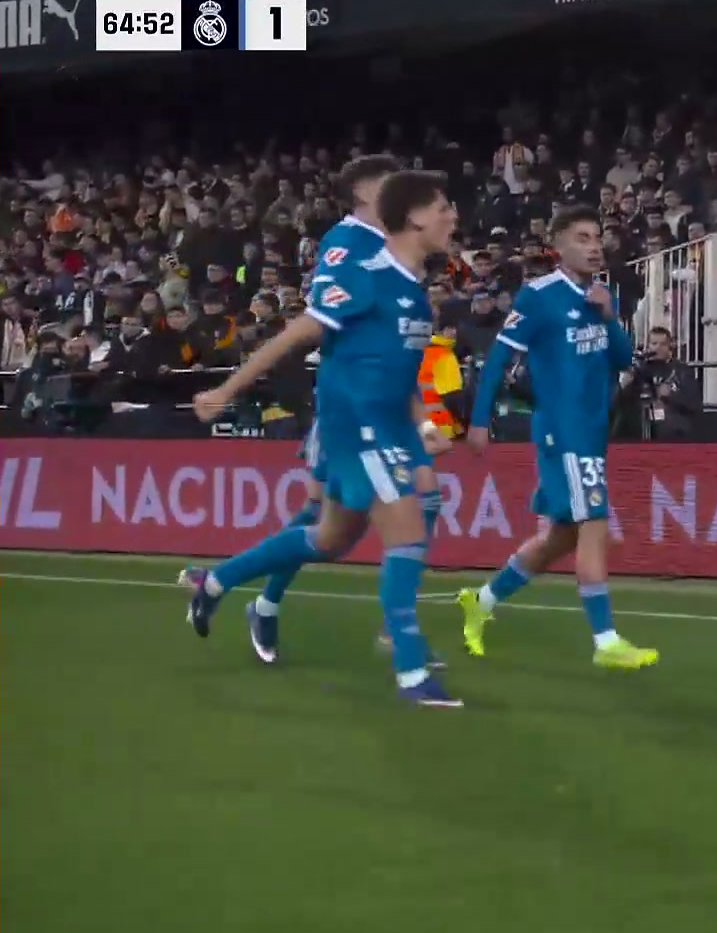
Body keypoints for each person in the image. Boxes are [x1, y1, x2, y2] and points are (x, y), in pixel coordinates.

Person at [183, 172, 462, 708]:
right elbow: (298, 332)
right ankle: (410, 672)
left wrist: (425, 423)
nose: (452, 217)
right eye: (443, 207)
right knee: (407, 529)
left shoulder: (412, 288)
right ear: (413, 217)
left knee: (328, 539)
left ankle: (216, 584)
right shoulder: (364, 271)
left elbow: (399, 372)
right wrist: (225, 390)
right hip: (355, 426)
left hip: (387, 426)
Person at [457, 207, 659, 671]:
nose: (594, 246)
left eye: (597, 238)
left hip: (592, 431)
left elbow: (622, 358)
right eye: (583, 238)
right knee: (594, 526)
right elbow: (498, 358)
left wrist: (609, 316)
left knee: (559, 538)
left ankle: (481, 601)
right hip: (562, 431)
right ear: (559, 247)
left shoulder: (599, 295)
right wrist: (479, 419)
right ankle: (606, 641)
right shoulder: (539, 296)